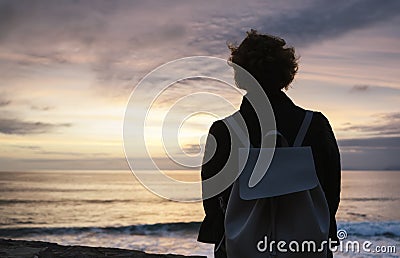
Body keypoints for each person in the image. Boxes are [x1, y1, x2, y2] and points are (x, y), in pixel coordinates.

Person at [197, 30, 341, 257]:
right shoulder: (315, 125)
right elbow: (330, 193)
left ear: (240, 75)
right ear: (286, 74)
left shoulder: (223, 131)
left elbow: (213, 200)